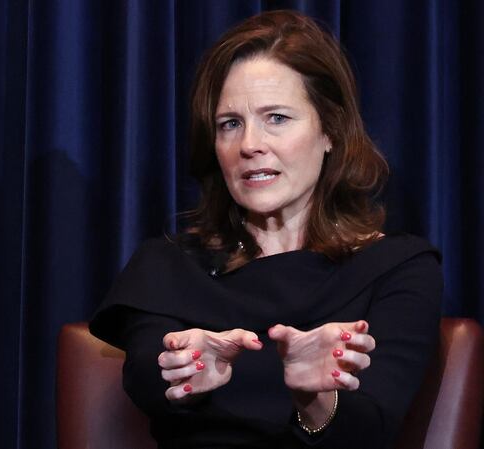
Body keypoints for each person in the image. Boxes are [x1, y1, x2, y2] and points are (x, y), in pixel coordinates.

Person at [89, 10, 442, 449]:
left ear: (330, 130)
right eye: (230, 124)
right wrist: (183, 365)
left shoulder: (398, 268)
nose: (250, 144)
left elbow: (371, 429)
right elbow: (146, 372)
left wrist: (315, 396)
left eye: (276, 117)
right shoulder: (167, 264)